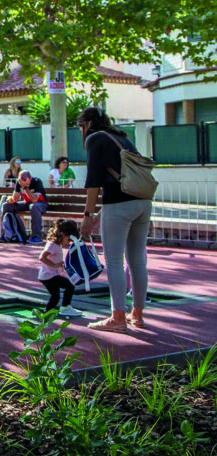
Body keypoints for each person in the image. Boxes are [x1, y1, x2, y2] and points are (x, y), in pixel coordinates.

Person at [78, 107, 152, 333]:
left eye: (80, 126)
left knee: (114, 261)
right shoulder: (123, 138)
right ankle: (137, 315)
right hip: (142, 201)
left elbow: (93, 181)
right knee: (137, 260)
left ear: (87, 124)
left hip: (117, 204)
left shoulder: (94, 139)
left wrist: (88, 215)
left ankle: (118, 316)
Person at [38, 219, 83, 318]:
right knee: (70, 285)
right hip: (49, 276)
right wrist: (54, 265)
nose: (68, 242)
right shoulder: (52, 245)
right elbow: (42, 257)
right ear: (62, 234)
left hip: (46, 276)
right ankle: (65, 307)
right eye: (68, 239)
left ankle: (47, 312)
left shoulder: (57, 244)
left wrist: (60, 267)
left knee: (55, 296)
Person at [1, 170, 49, 243]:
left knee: (34, 207)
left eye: (25, 180)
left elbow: (34, 200)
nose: (22, 182)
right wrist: (11, 199)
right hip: (27, 203)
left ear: (30, 178)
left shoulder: (37, 181)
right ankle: (7, 234)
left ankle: (36, 237)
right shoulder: (19, 182)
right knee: (6, 206)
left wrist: (25, 187)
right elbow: (15, 198)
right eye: (21, 180)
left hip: (41, 204)